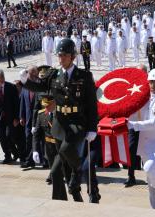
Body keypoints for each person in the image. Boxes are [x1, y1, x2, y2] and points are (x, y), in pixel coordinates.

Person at [19, 38, 98, 202]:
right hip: (59, 124)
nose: (60, 58)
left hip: (77, 124)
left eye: (64, 55)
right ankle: (63, 201)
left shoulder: (84, 76)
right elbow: (40, 86)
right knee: (55, 172)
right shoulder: (54, 75)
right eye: (59, 55)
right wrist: (25, 80)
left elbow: (91, 104)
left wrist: (92, 128)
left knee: (65, 151)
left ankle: (78, 171)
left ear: (73, 56)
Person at [128, 68, 155, 210]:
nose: (153, 85)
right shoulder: (142, 97)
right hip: (146, 141)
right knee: (149, 177)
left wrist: (133, 125)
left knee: (149, 167)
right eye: (151, 82)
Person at [0, 69, 20, 163]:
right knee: (1, 138)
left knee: (9, 137)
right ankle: (7, 156)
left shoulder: (11, 87)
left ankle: (15, 152)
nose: (0, 80)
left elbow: (16, 103)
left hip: (10, 117)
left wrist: (17, 118)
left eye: (1, 77)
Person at [19, 66, 39, 168]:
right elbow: (22, 101)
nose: (30, 76)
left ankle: (32, 160)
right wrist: (21, 116)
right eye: (29, 74)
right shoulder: (25, 86)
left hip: (39, 118)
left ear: (36, 74)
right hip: (27, 118)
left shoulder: (40, 85)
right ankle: (29, 160)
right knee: (28, 139)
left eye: (32, 74)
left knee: (37, 140)